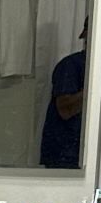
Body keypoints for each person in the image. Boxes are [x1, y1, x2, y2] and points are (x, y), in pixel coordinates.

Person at [40, 19, 88, 166]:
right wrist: (95, 86)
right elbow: (65, 110)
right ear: (87, 36)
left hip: (83, 155)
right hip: (64, 157)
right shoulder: (70, 65)